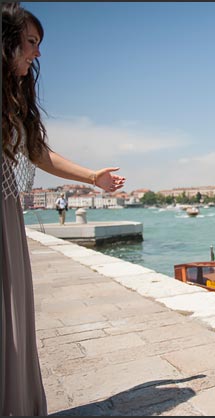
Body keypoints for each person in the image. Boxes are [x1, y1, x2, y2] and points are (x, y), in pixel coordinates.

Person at [2, 3, 126, 415]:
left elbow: (37, 151)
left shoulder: (15, 98)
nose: (37, 54)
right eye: (32, 42)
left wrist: (93, 177)